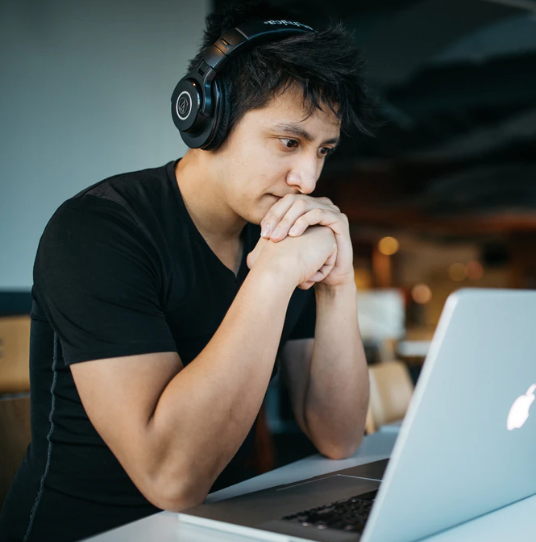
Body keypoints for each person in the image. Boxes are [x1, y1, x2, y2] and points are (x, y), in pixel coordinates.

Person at [0, 2, 378, 541]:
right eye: (289, 142)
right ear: (208, 115)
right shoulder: (98, 230)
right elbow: (171, 478)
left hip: (228, 523)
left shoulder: (279, 233)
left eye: (324, 151)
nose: (307, 177)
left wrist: (339, 286)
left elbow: (338, 437)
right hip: (98, 530)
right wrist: (270, 277)